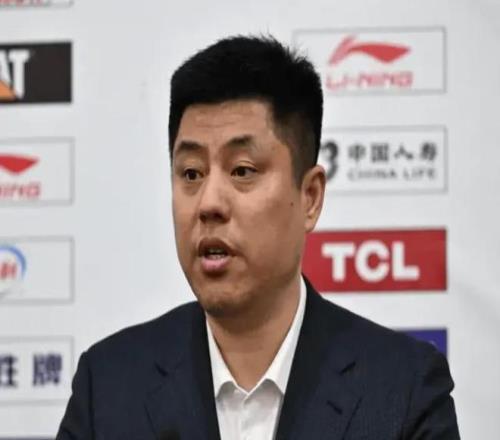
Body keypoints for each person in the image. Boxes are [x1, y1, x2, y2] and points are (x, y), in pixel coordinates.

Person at [56, 35, 460, 440]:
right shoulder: (107, 388)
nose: (209, 203)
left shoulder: (404, 390)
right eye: (191, 173)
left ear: (310, 197)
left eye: (242, 170)